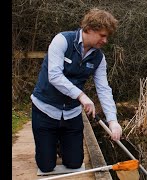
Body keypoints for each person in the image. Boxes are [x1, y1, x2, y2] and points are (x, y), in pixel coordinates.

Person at [30, 8, 122, 173]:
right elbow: (54, 76)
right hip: (45, 109)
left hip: (71, 113)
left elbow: (103, 89)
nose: (105, 40)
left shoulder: (99, 58)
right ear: (89, 29)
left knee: (74, 163)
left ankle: (61, 143)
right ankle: (52, 144)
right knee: (46, 166)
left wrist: (113, 121)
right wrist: (81, 95)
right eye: (102, 35)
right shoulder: (62, 40)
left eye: (107, 36)